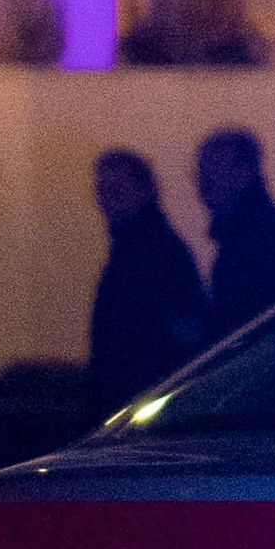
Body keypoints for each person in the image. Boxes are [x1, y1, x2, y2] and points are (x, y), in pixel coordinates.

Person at [85, 145, 209, 406]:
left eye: (117, 189)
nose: (107, 198)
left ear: (145, 190)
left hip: (135, 399)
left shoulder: (152, 254)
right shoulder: (152, 249)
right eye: (103, 190)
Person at [196, 124, 275, 340]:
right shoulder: (255, 232)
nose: (204, 178)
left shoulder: (263, 238)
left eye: (215, 167)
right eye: (202, 169)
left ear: (247, 171)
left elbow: (249, 323)